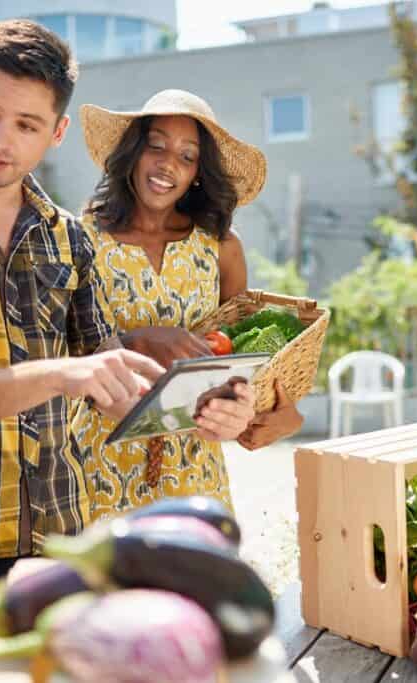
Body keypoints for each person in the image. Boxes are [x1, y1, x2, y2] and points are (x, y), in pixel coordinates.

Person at [0, 21, 250, 600]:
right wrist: (73, 371)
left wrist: (212, 404)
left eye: (26, 125)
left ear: (57, 132)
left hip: (62, 534)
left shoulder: (67, 239)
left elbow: (107, 375)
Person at [72, 89, 304, 520]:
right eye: (155, 145)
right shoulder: (79, 240)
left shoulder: (220, 249)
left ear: (198, 172)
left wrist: (280, 413)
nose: (167, 164)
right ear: (133, 152)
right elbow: (57, 355)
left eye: (186, 156)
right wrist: (137, 341)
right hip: (97, 470)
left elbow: (242, 359)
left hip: (195, 474)